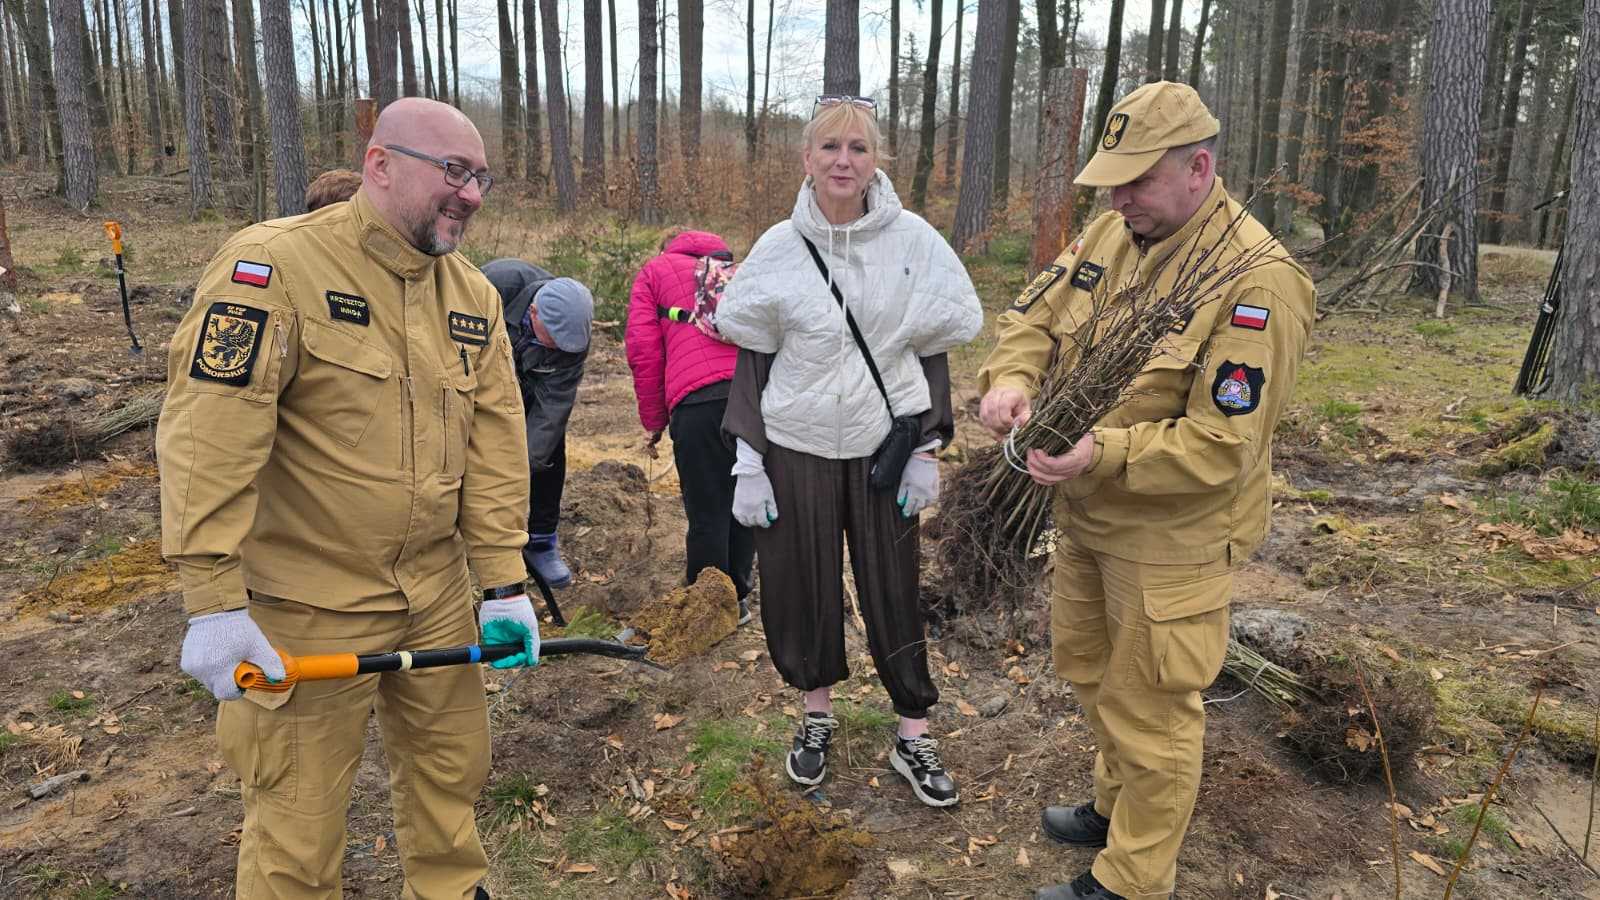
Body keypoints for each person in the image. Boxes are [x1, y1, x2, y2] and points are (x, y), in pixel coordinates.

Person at [158, 97, 540, 900]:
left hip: (434, 595)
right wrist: (213, 600)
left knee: (452, 781)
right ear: (381, 165)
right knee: (297, 826)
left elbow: (497, 447)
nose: (471, 194)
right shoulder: (272, 269)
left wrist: (504, 581)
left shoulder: (470, 298)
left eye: (480, 177)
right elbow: (209, 433)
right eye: (453, 172)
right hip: (306, 606)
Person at [976, 81, 1315, 900]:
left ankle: (1132, 878)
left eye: (1140, 181)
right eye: (1112, 182)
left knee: (1154, 708)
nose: (1120, 199)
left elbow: (1222, 443)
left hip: (1173, 539)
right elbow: (1031, 313)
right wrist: (1012, 378)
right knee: (1091, 669)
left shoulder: (1257, 282)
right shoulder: (1112, 231)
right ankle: (1114, 805)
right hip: (1088, 514)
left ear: (1199, 168)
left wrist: (1104, 453)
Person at [716, 94, 983, 808]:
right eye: (829, 147)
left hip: (881, 448)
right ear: (806, 159)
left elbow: (928, 351)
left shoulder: (916, 243)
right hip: (796, 446)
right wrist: (749, 461)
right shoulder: (778, 246)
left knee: (892, 587)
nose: (843, 160)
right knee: (802, 584)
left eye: (858, 148)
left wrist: (928, 446)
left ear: (875, 162)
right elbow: (754, 360)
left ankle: (912, 731)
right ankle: (816, 717)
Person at [624, 229, 755, 623]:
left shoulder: (656, 270)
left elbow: (644, 348)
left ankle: (708, 607)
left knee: (707, 511)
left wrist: (653, 421)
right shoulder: (738, 271)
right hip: (752, 402)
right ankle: (739, 598)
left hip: (696, 403)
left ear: (667, 246)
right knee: (743, 502)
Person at [480, 260, 594, 590]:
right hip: (474, 375)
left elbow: (551, 411)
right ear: (533, 312)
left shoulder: (572, 339)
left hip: (530, 386)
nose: (560, 349)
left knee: (548, 448)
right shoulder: (496, 286)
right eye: (553, 339)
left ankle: (541, 541)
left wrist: (513, 472)